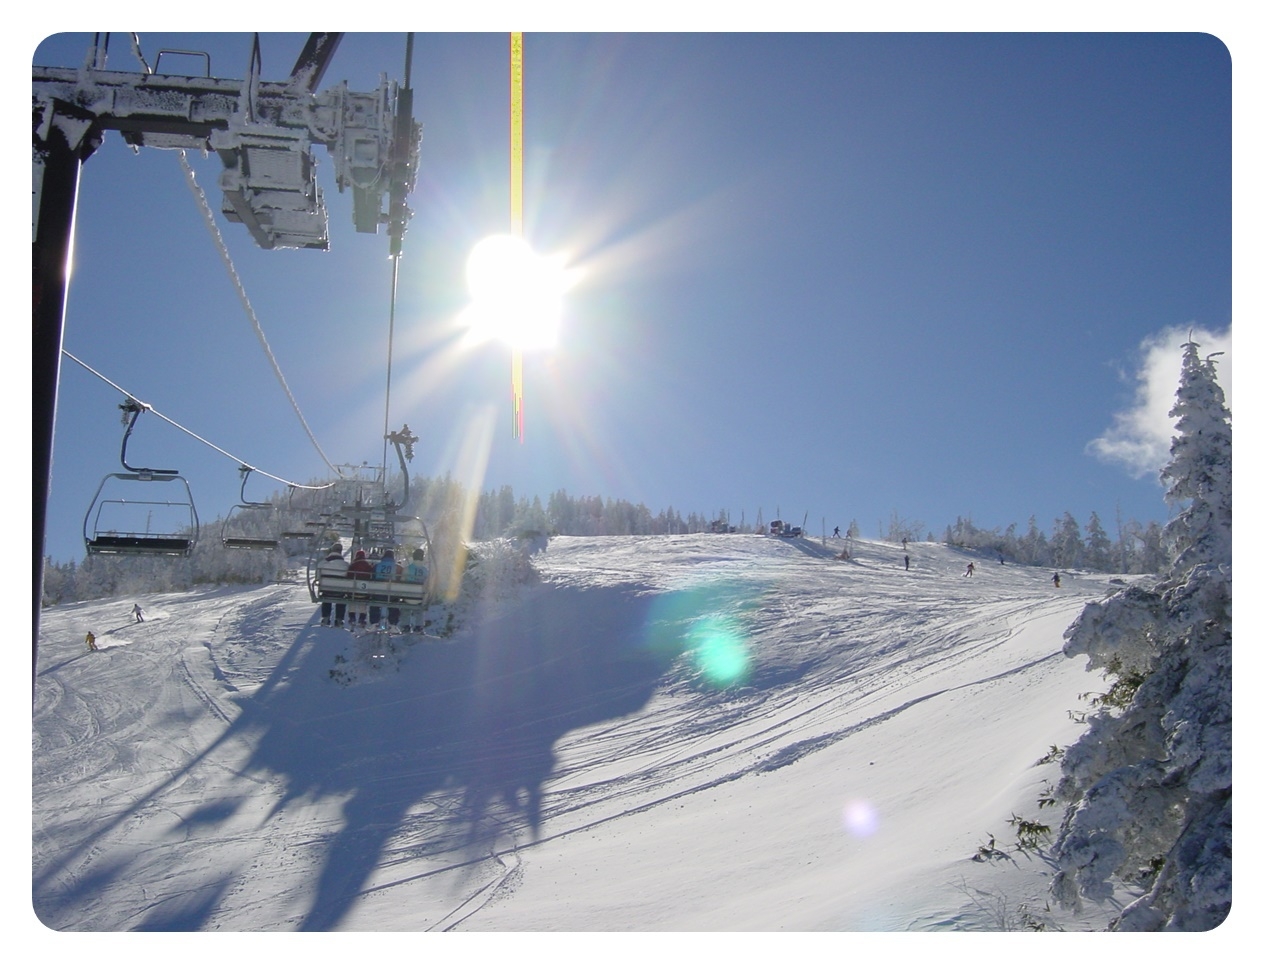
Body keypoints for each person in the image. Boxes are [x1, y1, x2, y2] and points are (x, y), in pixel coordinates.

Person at [317, 543, 349, 627]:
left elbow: (317, 576)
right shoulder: (345, 565)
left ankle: (326, 617)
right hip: (340, 591)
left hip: (326, 590)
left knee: (326, 597)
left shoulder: (322, 563)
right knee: (342, 598)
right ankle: (339, 619)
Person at [402, 547, 430, 633]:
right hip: (419, 598)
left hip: (408, 597)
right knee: (419, 609)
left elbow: (402, 580)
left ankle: (406, 626)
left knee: (405, 609)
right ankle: (419, 626)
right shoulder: (425, 571)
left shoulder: (407, 568)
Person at [346, 549, 374, 628]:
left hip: (353, 592)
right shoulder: (368, 565)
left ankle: (352, 617)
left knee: (352, 602)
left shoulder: (353, 565)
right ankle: (362, 619)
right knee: (363, 603)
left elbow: (348, 576)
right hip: (364, 592)